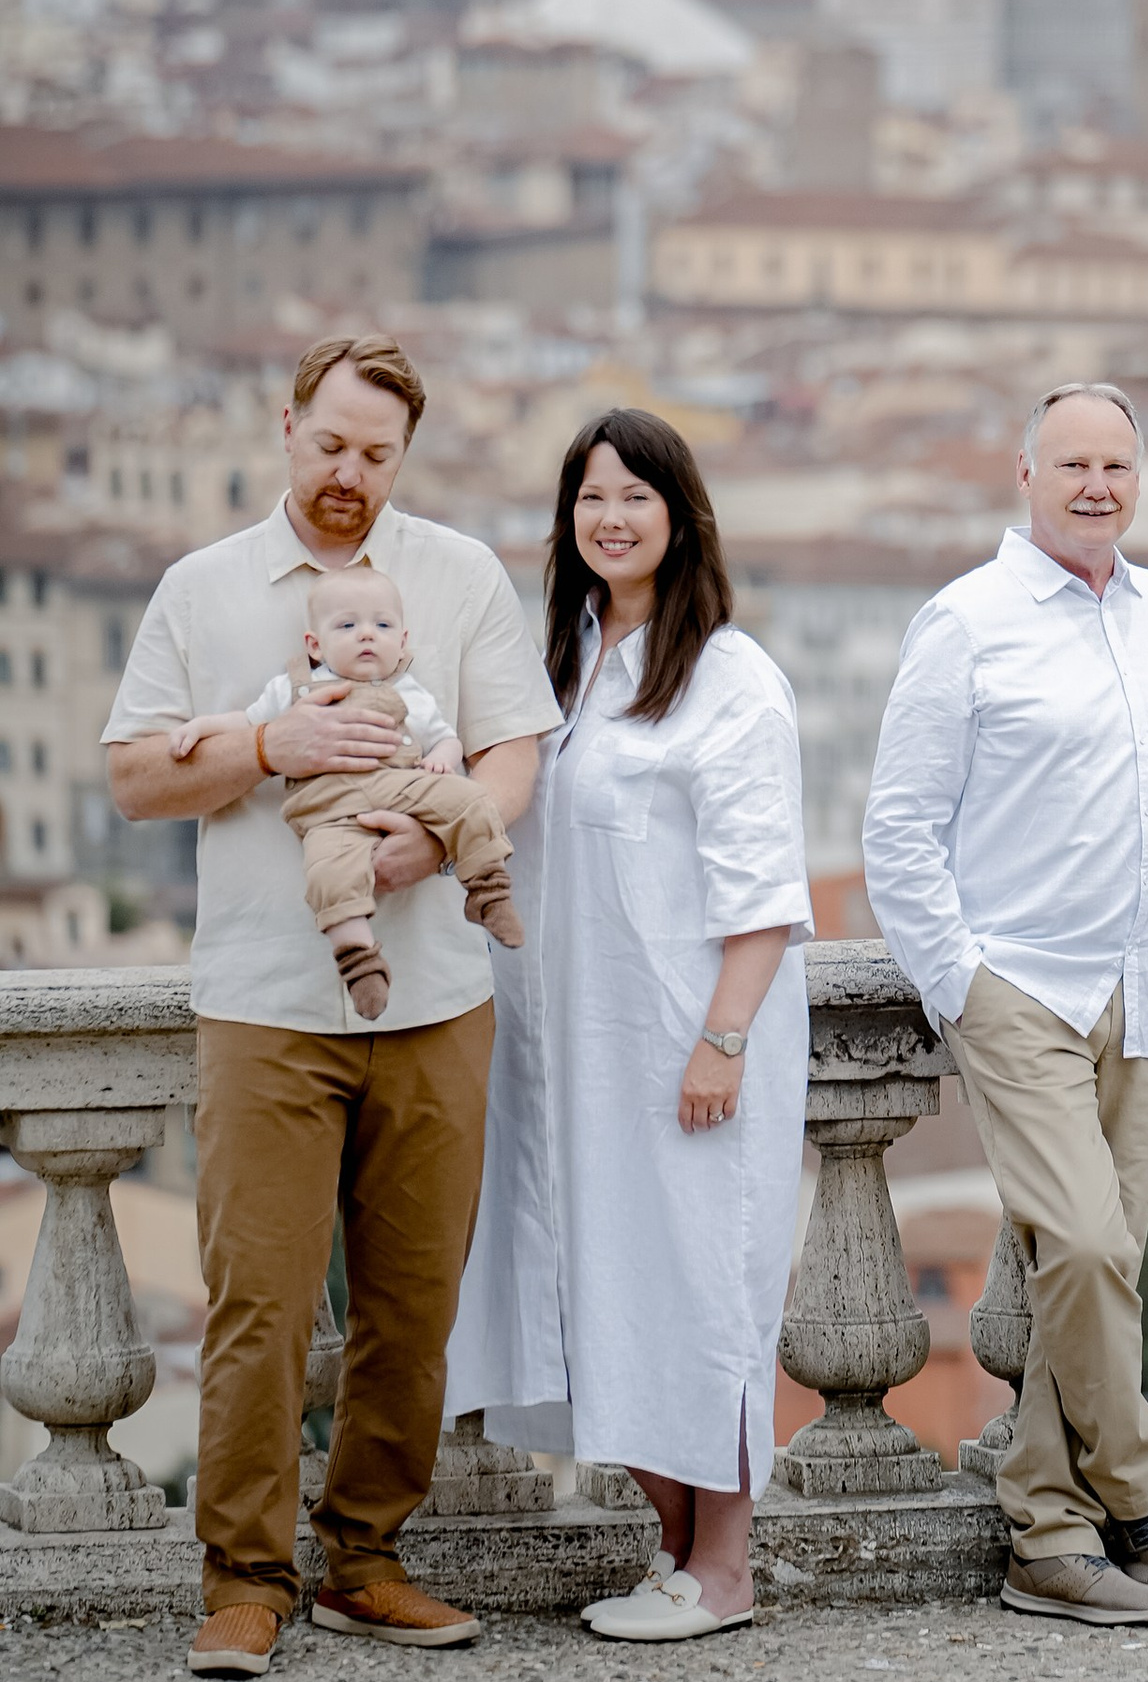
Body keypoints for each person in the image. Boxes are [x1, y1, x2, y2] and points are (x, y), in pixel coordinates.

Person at [103, 334, 559, 1680]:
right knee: (259, 1305)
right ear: (286, 425)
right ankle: (245, 1583)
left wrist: (439, 844)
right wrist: (266, 745)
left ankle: (365, 1560)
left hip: (436, 1000)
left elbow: (514, 750)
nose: (351, 473)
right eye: (331, 445)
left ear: (402, 456)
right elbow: (134, 777)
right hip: (265, 1005)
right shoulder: (204, 590)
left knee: (413, 1305)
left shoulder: (460, 575)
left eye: (377, 454)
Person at [460, 409, 812, 1646]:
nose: (611, 517)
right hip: (573, 1053)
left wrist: (720, 1042)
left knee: (700, 1294)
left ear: (681, 515)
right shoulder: (558, 661)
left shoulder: (729, 676)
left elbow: (769, 894)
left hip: (686, 1048)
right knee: (607, 1299)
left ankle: (724, 1568)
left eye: (636, 496)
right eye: (590, 496)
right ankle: (673, 1552)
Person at [863, 383, 1148, 1628]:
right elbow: (896, 828)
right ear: (1026, 474)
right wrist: (961, 980)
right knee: (1088, 1243)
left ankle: (1044, 1531)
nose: (1097, 484)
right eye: (1072, 462)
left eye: (1116, 463)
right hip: (1021, 982)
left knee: (1087, 1267)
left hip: (1147, 979)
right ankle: (1137, 1489)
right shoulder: (967, 620)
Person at [169, 565, 523, 1020]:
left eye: (381, 625)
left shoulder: (409, 690)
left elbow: (444, 737)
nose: (366, 636)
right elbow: (248, 723)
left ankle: (488, 889)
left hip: (402, 786)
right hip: (329, 811)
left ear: (401, 640)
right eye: (348, 626)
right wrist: (201, 727)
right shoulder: (295, 688)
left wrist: (444, 758)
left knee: (471, 800)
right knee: (327, 876)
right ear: (315, 645)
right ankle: (360, 962)